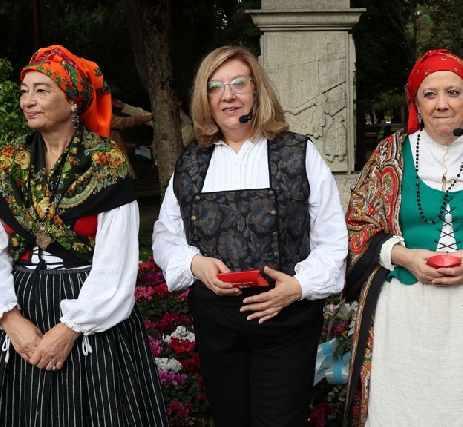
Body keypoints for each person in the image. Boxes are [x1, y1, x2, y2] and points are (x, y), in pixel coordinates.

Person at [151, 45, 348, 427]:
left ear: (257, 91)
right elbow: (165, 235)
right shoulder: (190, 163)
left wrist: (298, 286)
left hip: (286, 323)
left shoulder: (298, 153)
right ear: (206, 98)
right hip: (217, 325)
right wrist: (195, 263)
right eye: (216, 86)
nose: (228, 95)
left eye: (238, 83)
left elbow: (332, 237)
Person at [343, 48, 463, 426]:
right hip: (405, 311)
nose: (442, 104)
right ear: (415, 102)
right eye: (429, 94)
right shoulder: (390, 154)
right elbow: (359, 222)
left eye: (453, 92)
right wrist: (403, 256)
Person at [0, 45, 168, 426]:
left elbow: (116, 260)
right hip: (20, 307)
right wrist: (10, 319)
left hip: (91, 311)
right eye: (24, 90)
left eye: (42, 90)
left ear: (73, 99)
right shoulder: (8, 162)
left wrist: (71, 328)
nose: (28, 100)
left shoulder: (105, 162)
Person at [110, 98, 153, 179]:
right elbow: (126, 121)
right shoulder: (101, 115)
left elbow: (113, 142)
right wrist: (151, 117)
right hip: (115, 165)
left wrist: (130, 145)